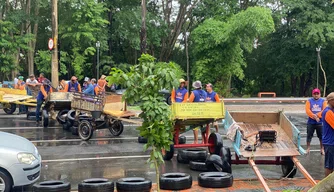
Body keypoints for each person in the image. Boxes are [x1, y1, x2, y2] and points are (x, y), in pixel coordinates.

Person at [305, 88, 327, 154]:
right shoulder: (309, 101)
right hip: (311, 121)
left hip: (320, 122)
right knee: (309, 135)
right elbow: (307, 110)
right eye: (315, 94)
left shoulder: (323, 101)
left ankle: (322, 149)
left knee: (321, 136)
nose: (316, 95)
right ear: (312, 94)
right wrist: (314, 116)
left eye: (317, 94)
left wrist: (317, 115)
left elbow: (324, 110)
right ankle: (308, 148)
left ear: (320, 94)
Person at [321, 92, 334, 176]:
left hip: (331, 142)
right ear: (331, 101)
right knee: (329, 166)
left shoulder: (331, 111)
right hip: (330, 143)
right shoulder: (328, 112)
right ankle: (327, 186)